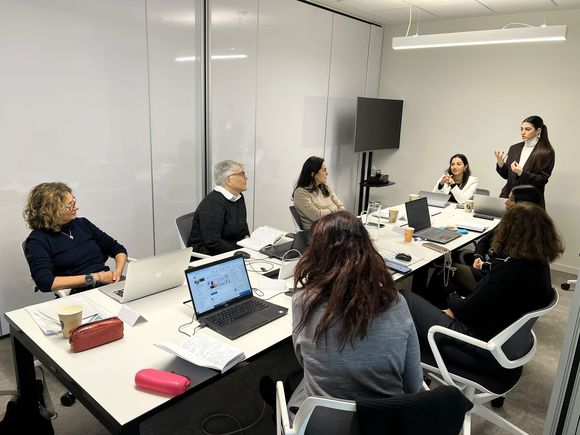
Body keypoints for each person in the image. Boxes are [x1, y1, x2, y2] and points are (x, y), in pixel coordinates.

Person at [402, 202, 563, 373]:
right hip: (501, 343)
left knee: (403, 297)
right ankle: (427, 331)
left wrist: (453, 298)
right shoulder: (539, 266)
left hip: (475, 348)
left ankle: (415, 352)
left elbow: (466, 310)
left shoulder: (510, 271)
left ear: (510, 232)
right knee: (446, 278)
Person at [288, 211, 423, 412]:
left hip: (324, 422)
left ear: (316, 255)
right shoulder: (395, 302)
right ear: (367, 250)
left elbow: (304, 360)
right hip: (387, 420)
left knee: (299, 383)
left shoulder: (303, 302)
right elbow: (413, 386)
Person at [23, 182, 128, 295]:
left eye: (74, 202)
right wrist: (95, 278)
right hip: (80, 293)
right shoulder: (37, 240)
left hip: (110, 284)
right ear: (49, 211)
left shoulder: (83, 224)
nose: (77, 207)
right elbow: (46, 283)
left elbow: (118, 249)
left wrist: (118, 272)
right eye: (70, 205)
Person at [453, 184, 544, 294]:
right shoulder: (508, 222)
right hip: (493, 270)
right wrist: (478, 257)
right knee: (455, 257)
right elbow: (484, 241)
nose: (506, 203)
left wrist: (484, 265)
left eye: (511, 199)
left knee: (449, 270)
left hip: (498, 279)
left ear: (524, 205)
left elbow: (508, 268)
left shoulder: (527, 237)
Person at [187, 160, 250, 255]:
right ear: (228, 180)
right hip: (209, 253)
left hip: (232, 249)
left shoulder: (238, 197)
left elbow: (243, 227)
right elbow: (212, 242)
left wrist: (247, 240)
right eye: (242, 174)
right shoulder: (213, 202)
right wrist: (237, 253)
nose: (246, 177)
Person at [495, 115, 555, 207]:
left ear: (538, 131)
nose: (523, 132)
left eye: (527, 129)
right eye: (521, 129)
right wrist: (501, 165)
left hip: (529, 202)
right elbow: (507, 176)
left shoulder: (546, 152)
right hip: (508, 198)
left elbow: (542, 180)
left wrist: (522, 173)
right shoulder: (514, 148)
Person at [292, 156, 345, 230]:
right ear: (314, 174)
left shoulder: (326, 188)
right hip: (316, 233)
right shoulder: (301, 193)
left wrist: (328, 211)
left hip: (333, 228)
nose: (327, 173)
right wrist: (333, 208)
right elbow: (316, 216)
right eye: (324, 170)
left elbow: (341, 208)